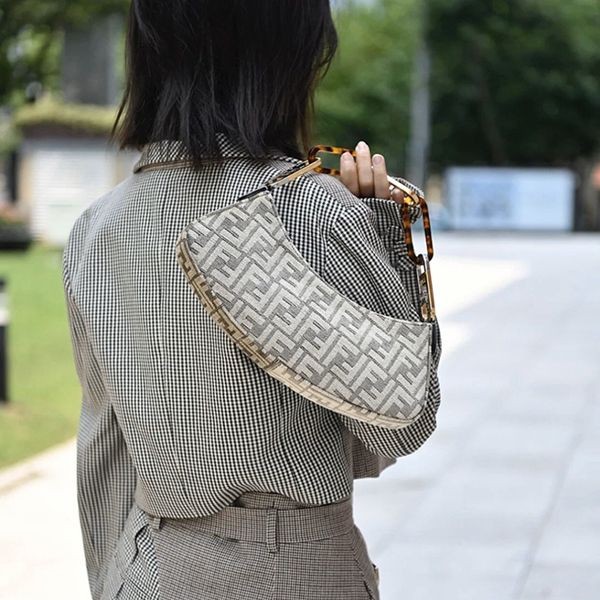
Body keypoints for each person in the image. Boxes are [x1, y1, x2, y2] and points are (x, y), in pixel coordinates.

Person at [61, 1, 442, 599]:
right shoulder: (320, 212)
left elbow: (103, 451)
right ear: (287, 55)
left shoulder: (95, 229)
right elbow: (399, 428)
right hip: (299, 568)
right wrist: (386, 240)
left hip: (149, 565)